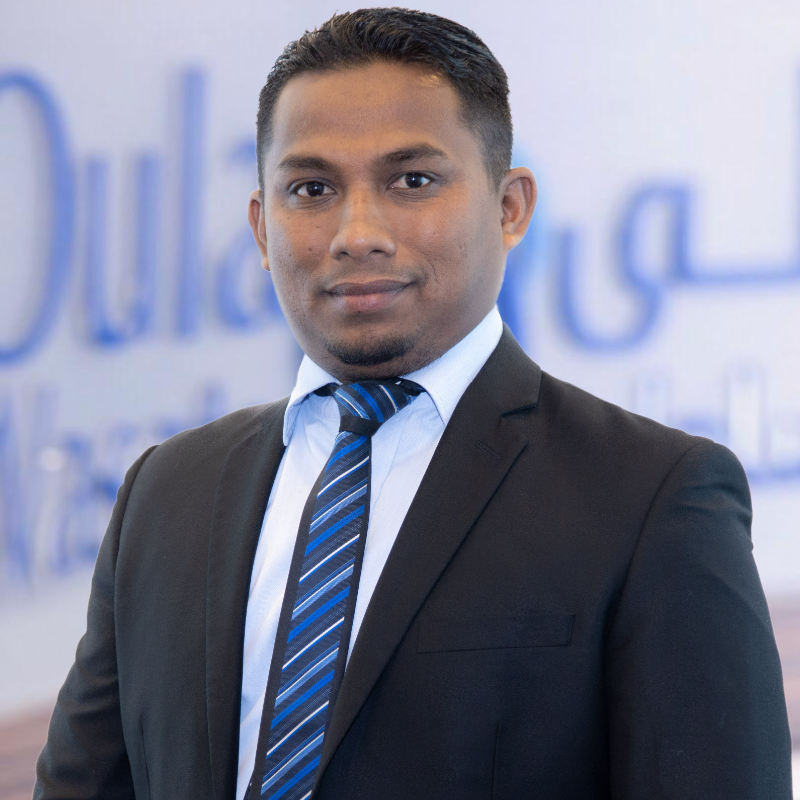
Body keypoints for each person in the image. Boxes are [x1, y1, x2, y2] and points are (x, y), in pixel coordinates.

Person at [35, 8, 792, 800]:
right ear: (261, 229)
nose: (357, 232)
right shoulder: (165, 493)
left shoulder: (652, 498)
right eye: (312, 189)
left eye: (412, 181)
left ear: (510, 207)